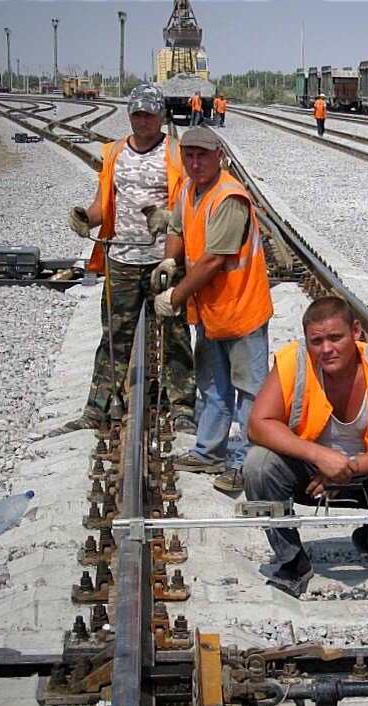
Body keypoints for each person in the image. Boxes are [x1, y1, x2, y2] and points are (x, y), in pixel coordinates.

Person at [244, 297, 368, 597]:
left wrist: (350, 466)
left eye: (335, 337)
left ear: (355, 331)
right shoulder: (293, 361)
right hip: (311, 477)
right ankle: (292, 559)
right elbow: (257, 424)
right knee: (257, 466)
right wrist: (320, 456)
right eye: (317, 341)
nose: (326, 349)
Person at [61, 83, 195, 435]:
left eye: (149, 114)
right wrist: (85, 218)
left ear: (161, 116)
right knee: (113, 337)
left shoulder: (176, 153)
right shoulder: (115, 152)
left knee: (175, 333)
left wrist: (170, 227)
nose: (143, 121)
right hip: (120, 258)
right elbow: (102, 203)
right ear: (130, 114)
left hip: (163, 262)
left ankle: (181, 407)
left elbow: (190, 207)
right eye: (137, 114)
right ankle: (98, 407)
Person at [153, 127, 273, 493]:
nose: (195, 162)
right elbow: (176, 226)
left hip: (241, 310)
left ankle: (248, 465)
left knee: (250, 392)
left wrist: (174, 297)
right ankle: (209, 453)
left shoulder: (229, 198)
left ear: (219, 155)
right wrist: (170, 262)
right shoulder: (190, 188)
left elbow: (212, 262)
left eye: (202, 155)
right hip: (210, 310)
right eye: (188, 155)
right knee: (213, 386)